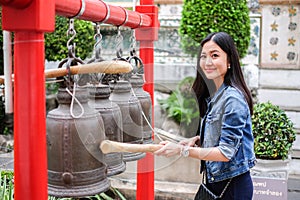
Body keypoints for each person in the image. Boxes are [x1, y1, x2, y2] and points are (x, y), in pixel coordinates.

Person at [154, 32, 256, 200]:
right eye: (203, 56)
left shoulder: (233, 99)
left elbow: (226, 152)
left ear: (229, 61)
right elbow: (223, 136)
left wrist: (182, 150)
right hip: (215, 182)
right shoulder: (216, 96)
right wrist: (199, 140)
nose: (207, 62)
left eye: (214, 55)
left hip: (232, 188)